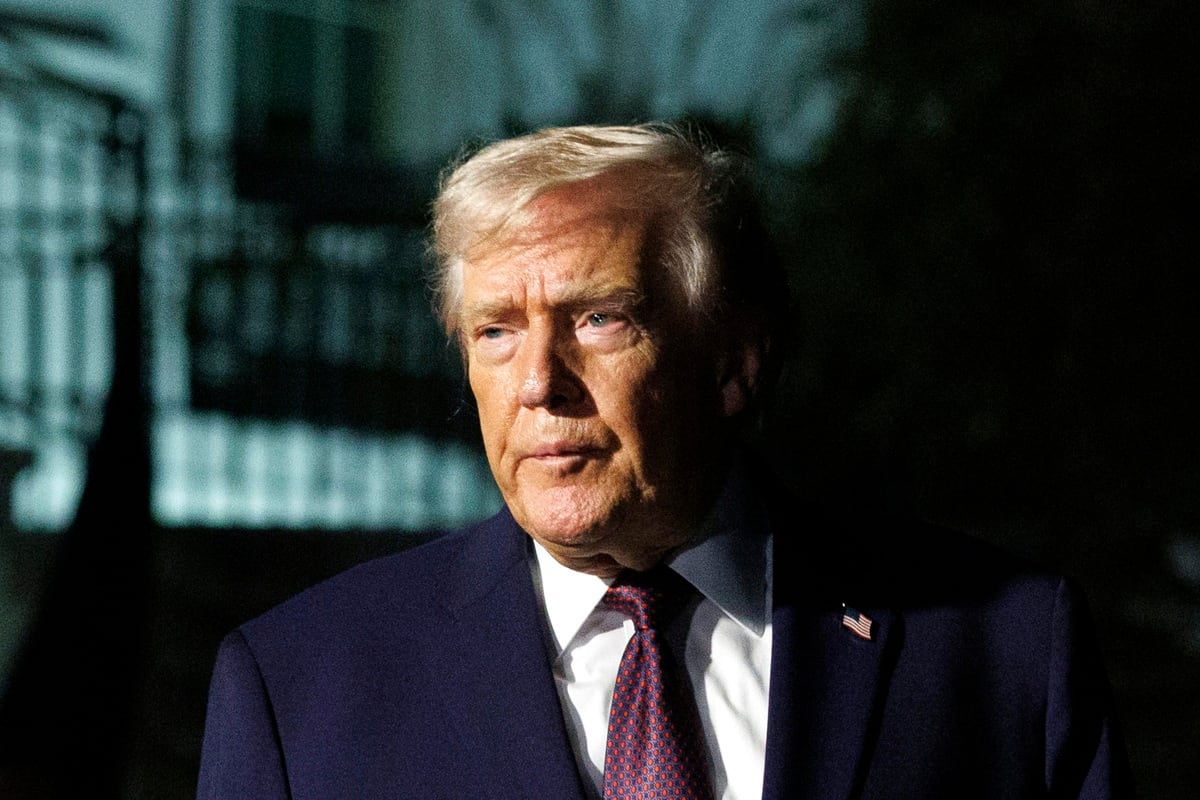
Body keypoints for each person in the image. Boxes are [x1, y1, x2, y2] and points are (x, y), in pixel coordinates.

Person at [196, 122, 1132, 799]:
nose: (538, 384)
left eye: (599, 319)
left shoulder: (1003, 649)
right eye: (495, 331)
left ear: (733, 364)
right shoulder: (299, 687)